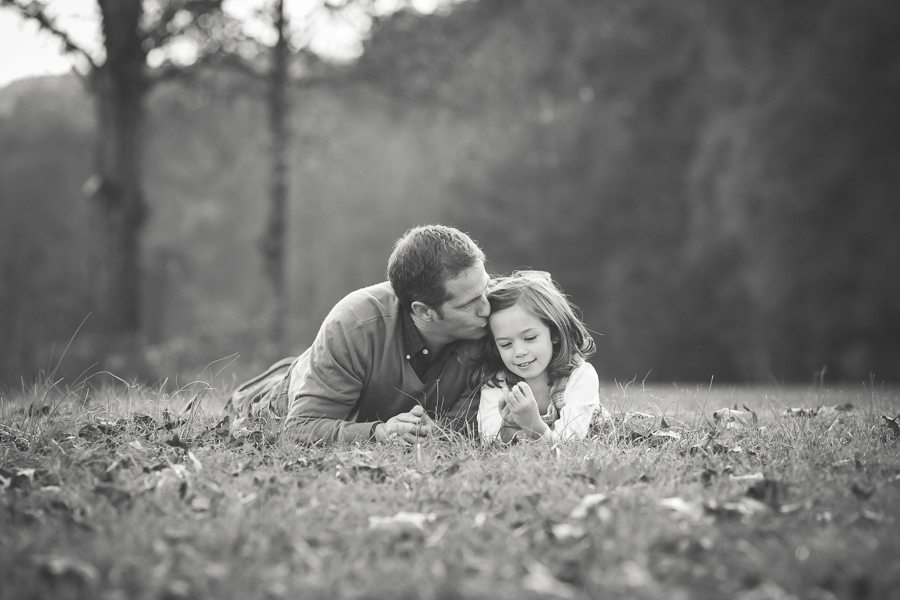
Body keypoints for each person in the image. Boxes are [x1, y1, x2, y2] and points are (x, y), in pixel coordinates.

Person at [228, 225, 491, 445]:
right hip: (293, 393)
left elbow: (465, 428)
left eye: (486, 288)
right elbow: (300, 428)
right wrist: (378, 433)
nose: (487, 308)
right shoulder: (354, 324)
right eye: (469, 304)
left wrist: (436, 433)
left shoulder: (495, 318)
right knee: (249, 407)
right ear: (424, 311)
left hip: (351, 382)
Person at [473, 270, 606, 443]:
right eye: (506, 344)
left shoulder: (580, 376)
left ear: (555, 333)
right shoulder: (498, 381)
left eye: (529, 338)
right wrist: (509, 426)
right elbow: (489, 438)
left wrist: (533, 426)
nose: (519, 351)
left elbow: (569, 443)